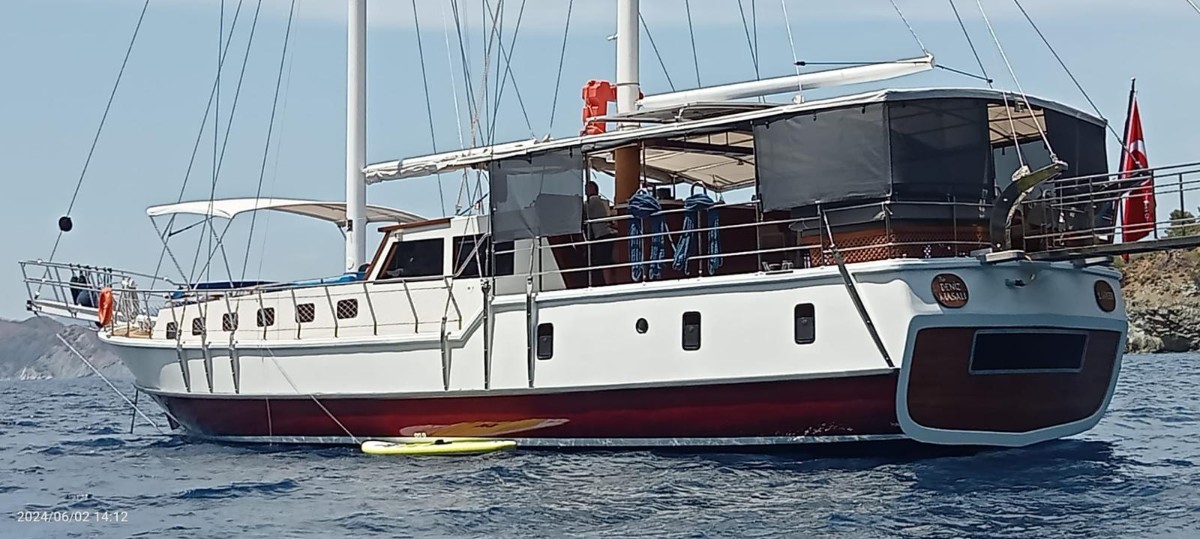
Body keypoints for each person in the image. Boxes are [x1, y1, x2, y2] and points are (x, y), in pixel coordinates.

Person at [583, 180, 617, 286]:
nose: (585, 190)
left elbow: (583, 214)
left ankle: (608, 283)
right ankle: (610, 281)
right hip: (607, 233)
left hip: (601, 235)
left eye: (587, 188)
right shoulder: (602, 202)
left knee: (604, 261)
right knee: (607, 260)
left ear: (593, 189)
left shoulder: (592, 202)